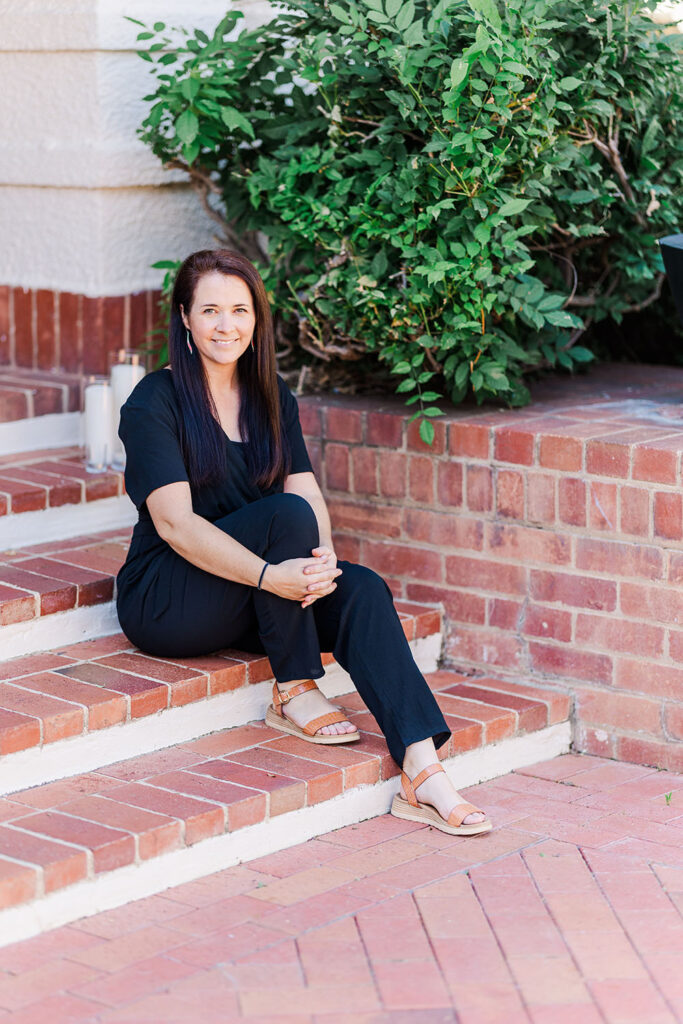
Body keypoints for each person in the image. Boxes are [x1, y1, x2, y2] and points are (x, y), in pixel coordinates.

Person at [115, 249, 491, 837]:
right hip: (169, 598)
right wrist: (272, 579)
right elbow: (174, 525)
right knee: (285, 518)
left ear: (257, 319)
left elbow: (308, 493)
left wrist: (321, 565)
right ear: (184, 319)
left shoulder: (270, 396)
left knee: (362, 589)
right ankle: (294, 687)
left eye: (240, 310)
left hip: (245, 590)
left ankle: (423, 769)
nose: (226, 325)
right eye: (209, 310)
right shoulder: (154, 401)